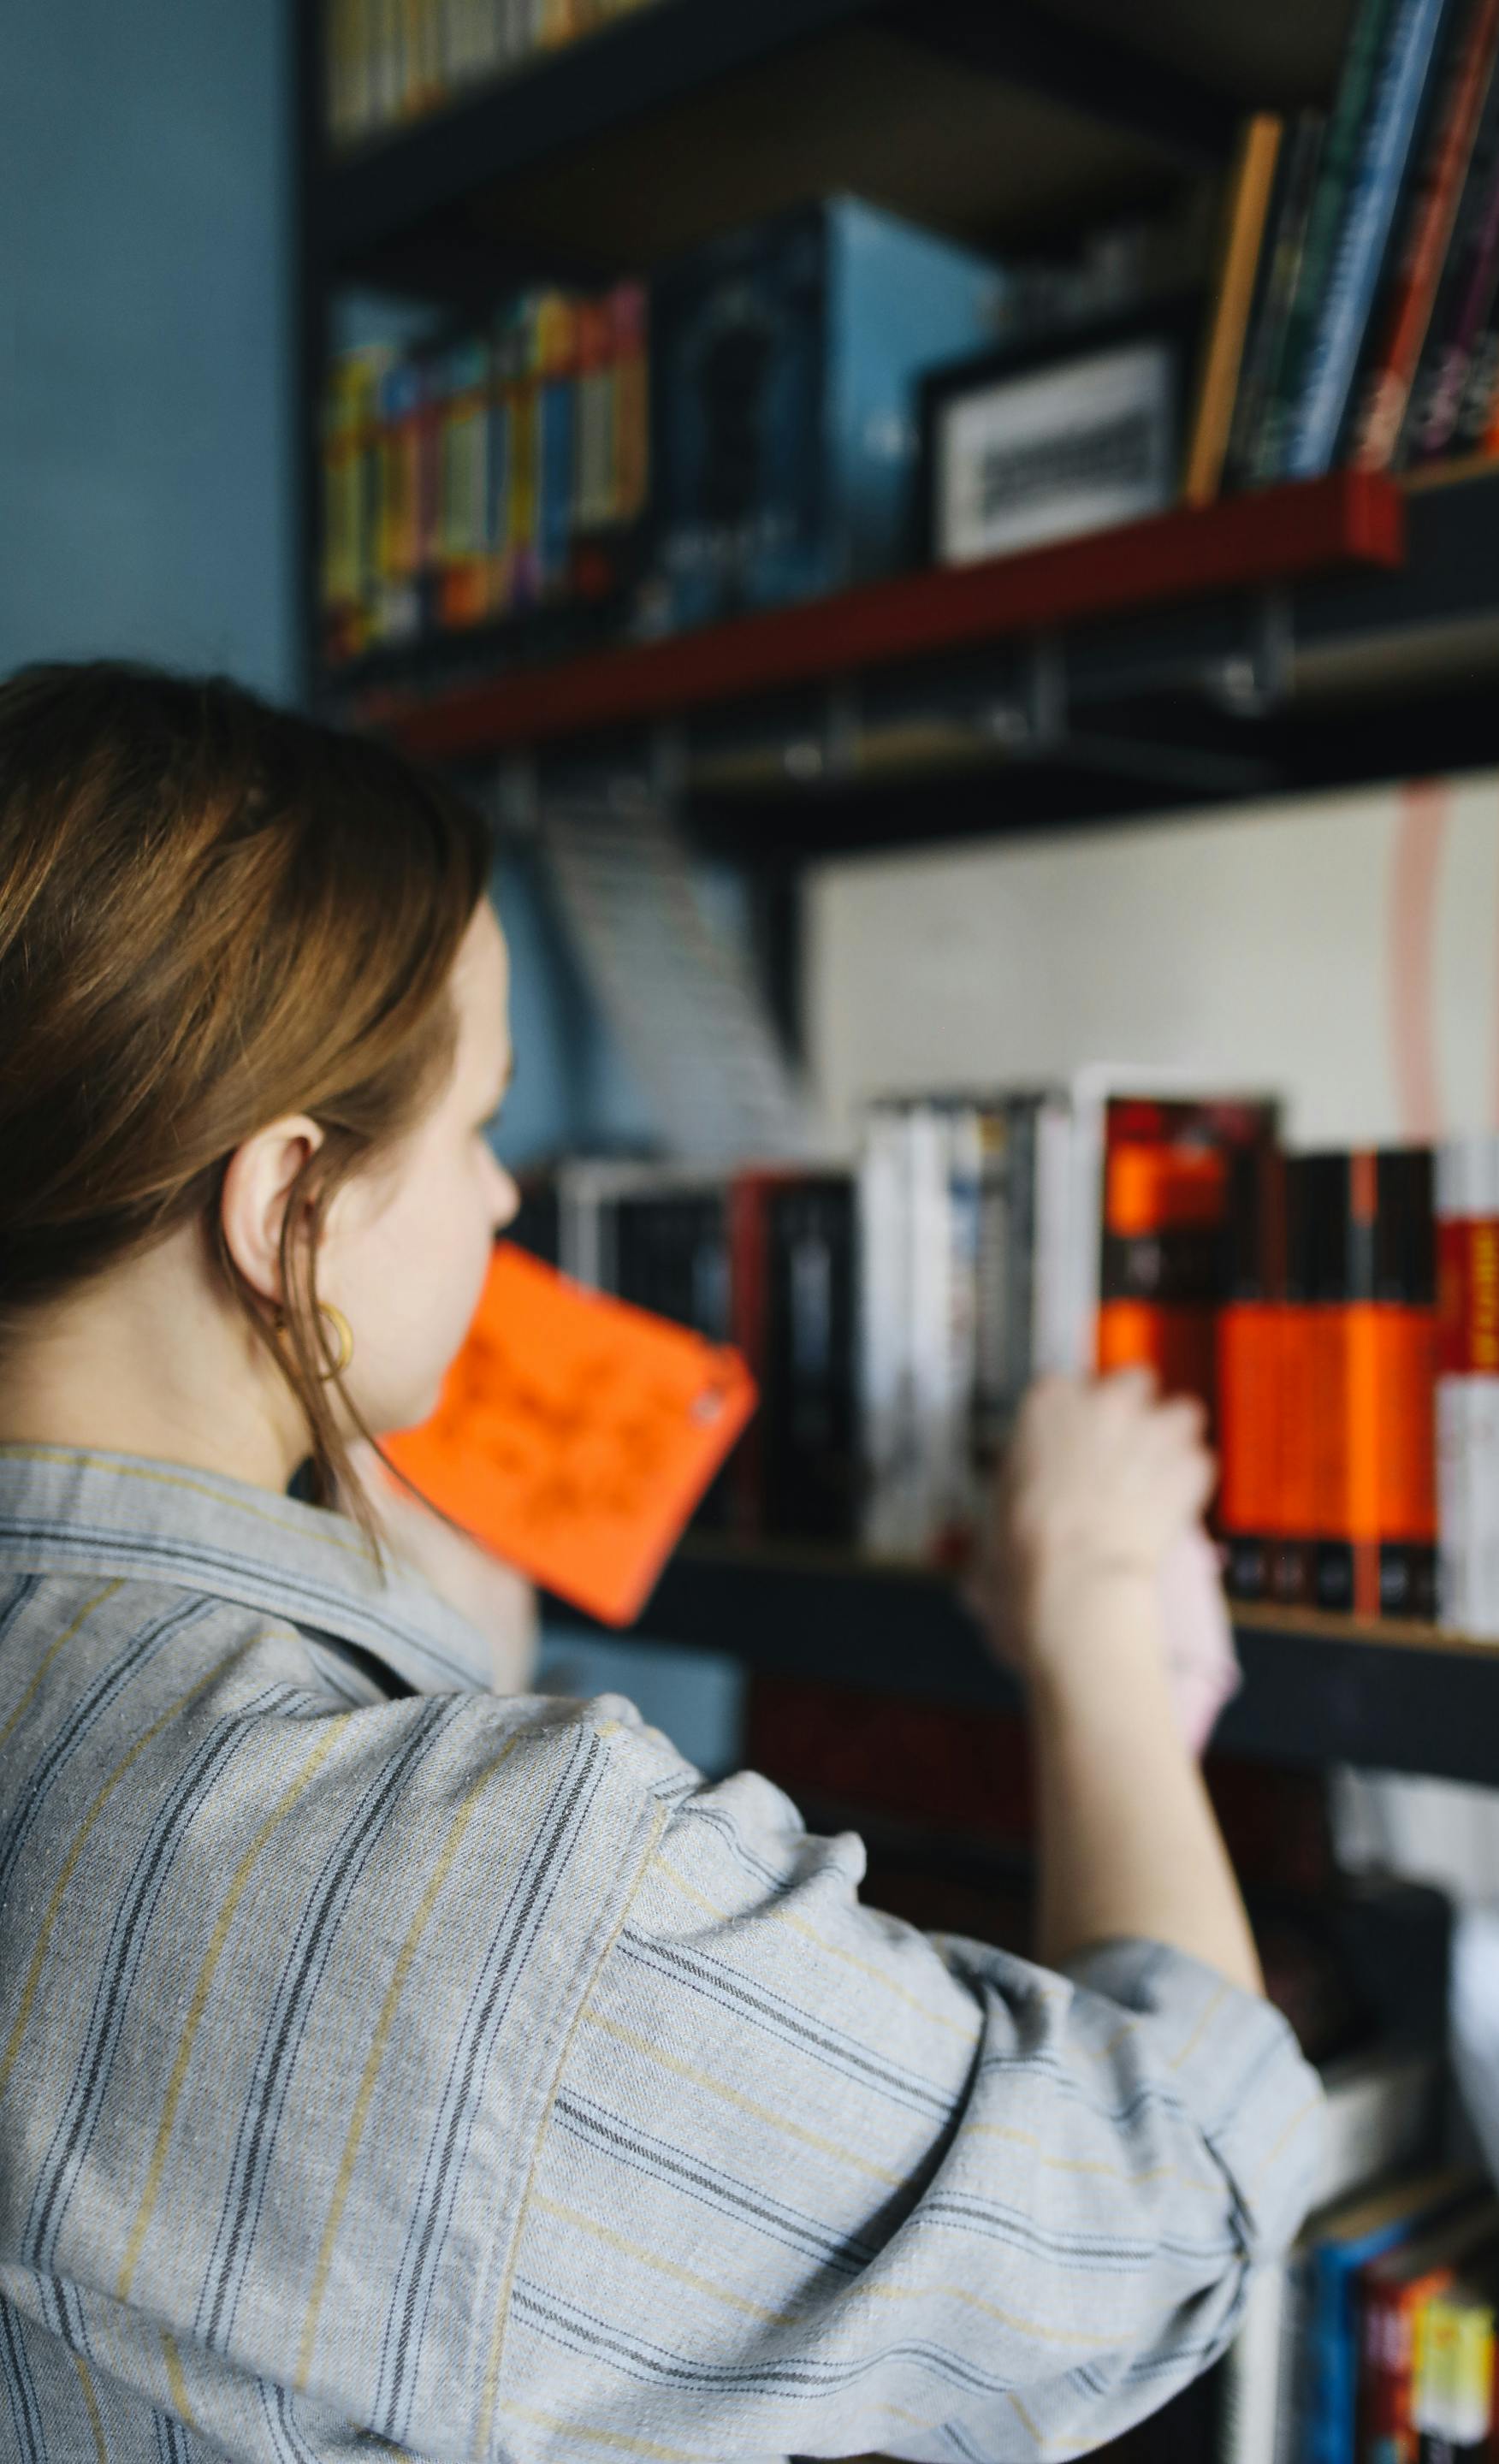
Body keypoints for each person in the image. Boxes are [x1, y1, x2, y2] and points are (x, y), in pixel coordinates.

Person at [0, 661, 1320, 2464]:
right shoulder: (484, 1889)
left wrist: (446, 1664)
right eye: (477, 1129)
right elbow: (1173, 2215)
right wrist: (1096, 1613)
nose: (503, 1202)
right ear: (289, 1206)